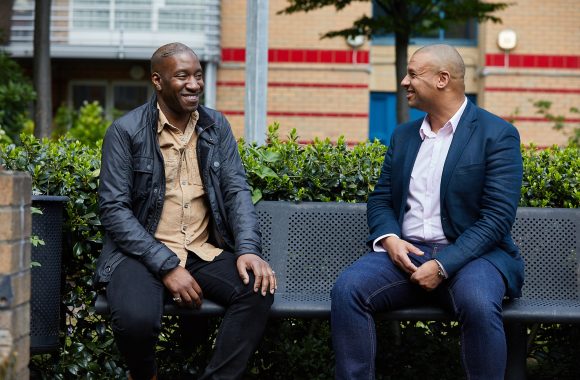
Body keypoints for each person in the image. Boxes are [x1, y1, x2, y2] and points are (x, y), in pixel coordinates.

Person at [331, 44, 524, 380]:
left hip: (472, 257)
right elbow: (380, 199)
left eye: (413, 74)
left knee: (478, 303)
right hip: (407, 254)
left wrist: (443, 265)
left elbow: (496, 218)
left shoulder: (497, 135)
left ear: (442, 79)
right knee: (348, 290)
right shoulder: (404, 136)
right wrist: (390, 239)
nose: (404, 81)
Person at [95, 42, 276, 380]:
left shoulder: (215, 126)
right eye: (182, 76)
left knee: (256, 289)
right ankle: (145, 374)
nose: (194, 84)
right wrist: (166, 266)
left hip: (199, 250)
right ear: (157, 81)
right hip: (140, 253)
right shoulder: (125, 131)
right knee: (136, 320)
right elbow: (114, 210)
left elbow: (237, 191)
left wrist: (248, 249)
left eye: (197, 75)